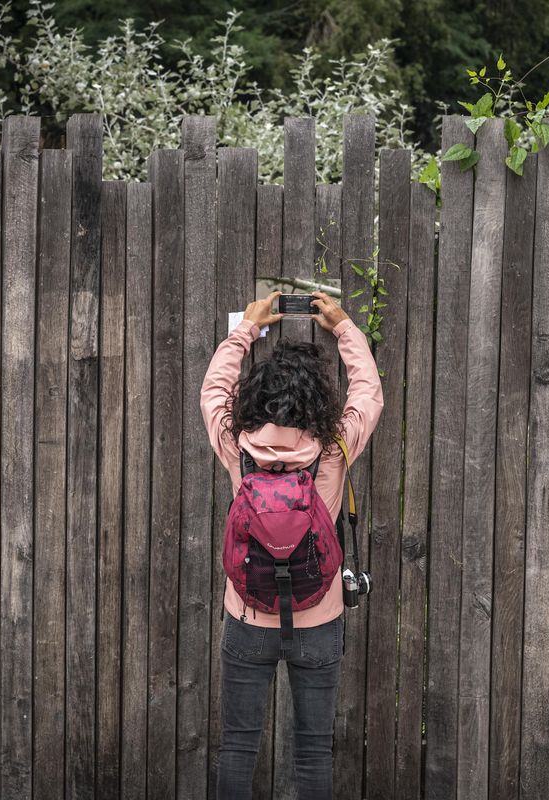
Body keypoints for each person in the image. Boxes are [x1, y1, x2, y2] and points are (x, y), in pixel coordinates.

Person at [201, 289, 384, 799]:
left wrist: (245, 331)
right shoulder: (335, 448)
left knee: (237, 748)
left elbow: (213, 392)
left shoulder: (237, 447)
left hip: (247, 619)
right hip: (319, 622)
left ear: (255, 398)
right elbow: (368, 392)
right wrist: (345, 326)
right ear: (317, 402)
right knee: (312, 751)